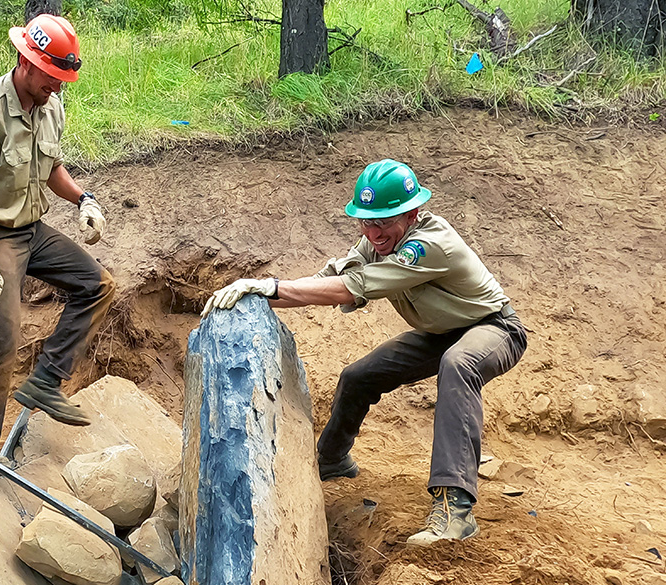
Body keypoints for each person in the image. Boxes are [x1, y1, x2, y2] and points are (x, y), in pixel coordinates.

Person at [202, 159, 527, 546]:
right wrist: (258, 296)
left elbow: (353, 286)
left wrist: (271, 286)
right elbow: (330, 278)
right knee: (359, 377)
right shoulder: (375, 240)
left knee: (458, 366)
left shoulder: (429, 245)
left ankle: (455, 510)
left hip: (494, 328)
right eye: (366, 221)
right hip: (443, 332)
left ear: (411, 213)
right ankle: (332, 461)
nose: (373, 232)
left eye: (384, 221)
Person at [0, 14, 115, 476]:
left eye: (62, 80)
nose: (56, 88)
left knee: (97, 284)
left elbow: (50, 165)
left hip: (31, 229)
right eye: (51, 78)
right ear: (25, 61)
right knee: (5, 333)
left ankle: (46, 382)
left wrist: (83, 199)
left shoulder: (49, 104)